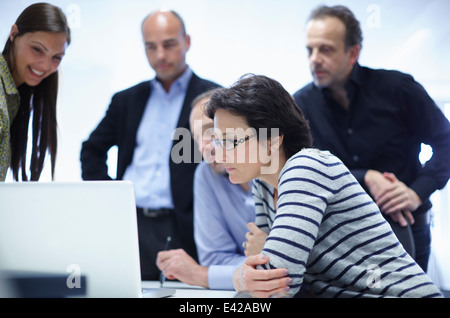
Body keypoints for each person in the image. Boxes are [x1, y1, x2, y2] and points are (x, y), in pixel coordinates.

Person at [205, 74, 442, 298]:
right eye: (217, 140)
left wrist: (254, 265)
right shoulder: (263, 185)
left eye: (230, 141)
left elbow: (277, 280)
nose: (218, 152)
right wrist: (251, 268)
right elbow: (271, 277)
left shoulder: (306, 167)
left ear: (272, 140)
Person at [293, 5, 450, 273]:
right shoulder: (300, 105)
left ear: (352, 52)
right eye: (310, 50)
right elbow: (302, 173)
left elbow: (447, 143)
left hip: (408, 231)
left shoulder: (398, 89)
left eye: (325, 49)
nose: (314, 59)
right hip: (336, 242)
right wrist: (365, 176)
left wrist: (416, 192)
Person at [80, 10, 219, 280]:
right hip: (129, 224)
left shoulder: (212, 99)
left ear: (186, 42)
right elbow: (91, 150)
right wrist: (110, 195)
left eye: (169, 44)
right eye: (150, 47)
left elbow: (226, 159)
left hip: (185, 226)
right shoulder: (126, 100)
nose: (160, 56)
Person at [156, 89, 261, 290]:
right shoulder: (206, 175)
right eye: (197, 137)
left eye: (210, 131)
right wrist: (255, 268)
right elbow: (215, 258)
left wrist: (199, 274)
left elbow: (287, 265)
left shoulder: (279, 172)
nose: (205, 145)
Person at [1, 3, 70, 182]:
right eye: (37, 49)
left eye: (56, 57)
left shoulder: (14, 95)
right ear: (14, 33)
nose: (45, 65)